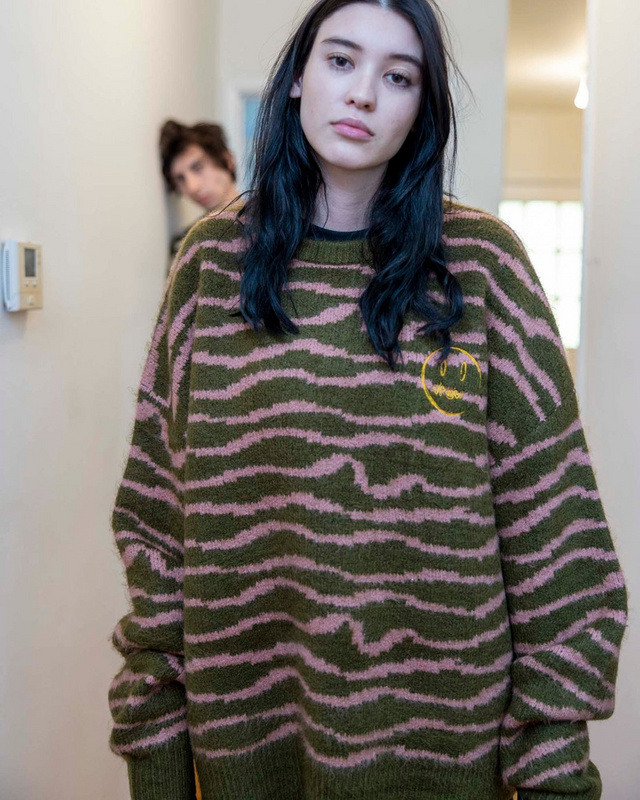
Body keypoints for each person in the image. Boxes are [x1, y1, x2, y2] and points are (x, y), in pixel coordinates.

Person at [109, 1, 627, 798]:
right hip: (250, 756)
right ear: (298, 77)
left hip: (445, 761)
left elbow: (558, 546)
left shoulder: (483, 267)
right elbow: (156, 526)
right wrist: (158, 769)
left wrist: (555, 774)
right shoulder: (213, 265)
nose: (362, 93)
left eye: (398, 76)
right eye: (342, 60)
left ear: (422, 108)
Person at [159, 119, 239, 257]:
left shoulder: (271, 224)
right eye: (180, 179)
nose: (192, 187)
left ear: (227, 160)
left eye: (198, 168)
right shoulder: (185, 245)